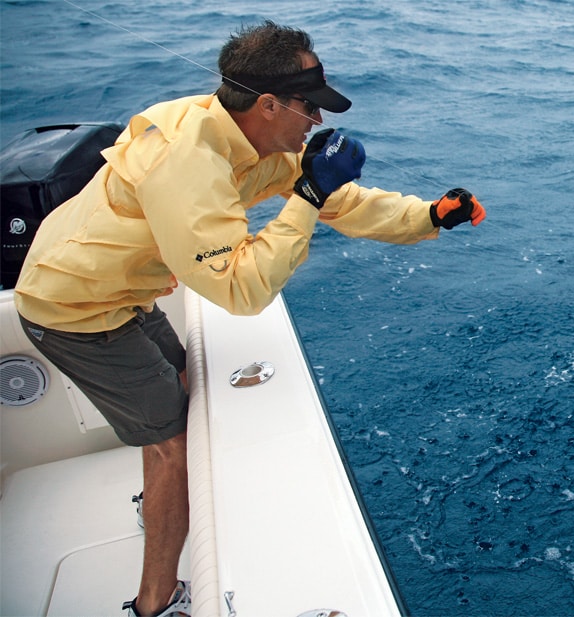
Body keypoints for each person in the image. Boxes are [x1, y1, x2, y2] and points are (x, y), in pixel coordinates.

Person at [14, 20, 485, 617]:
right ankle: (153, 603)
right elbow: (240, 290)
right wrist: (308, 199)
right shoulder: (186, 161)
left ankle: (154, 506)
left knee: (186, 388)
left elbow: (342, 201)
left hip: (124, 291)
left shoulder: (258, 142)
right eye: (308, 107)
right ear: (267, 104)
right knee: (171, 442)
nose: (316, 121)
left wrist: (430, 216)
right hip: (73, 307)